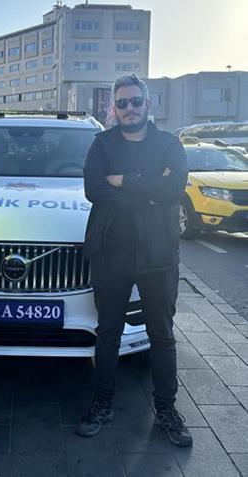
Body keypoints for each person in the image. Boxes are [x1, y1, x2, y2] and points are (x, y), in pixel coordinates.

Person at [76, 73, 192, 447]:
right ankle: (102, 404)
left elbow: (173, 188)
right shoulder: (102, 143)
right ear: (114, 108)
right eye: (122, 103)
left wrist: (123, 180)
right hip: (112, 255)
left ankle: (167, 410)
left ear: (147, 103)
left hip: (159, 256)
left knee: (162, 336)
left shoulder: (168, 144)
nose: (129, 109)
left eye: (135, 101)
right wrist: (149, 188)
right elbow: (93, 189)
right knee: (108, 333)